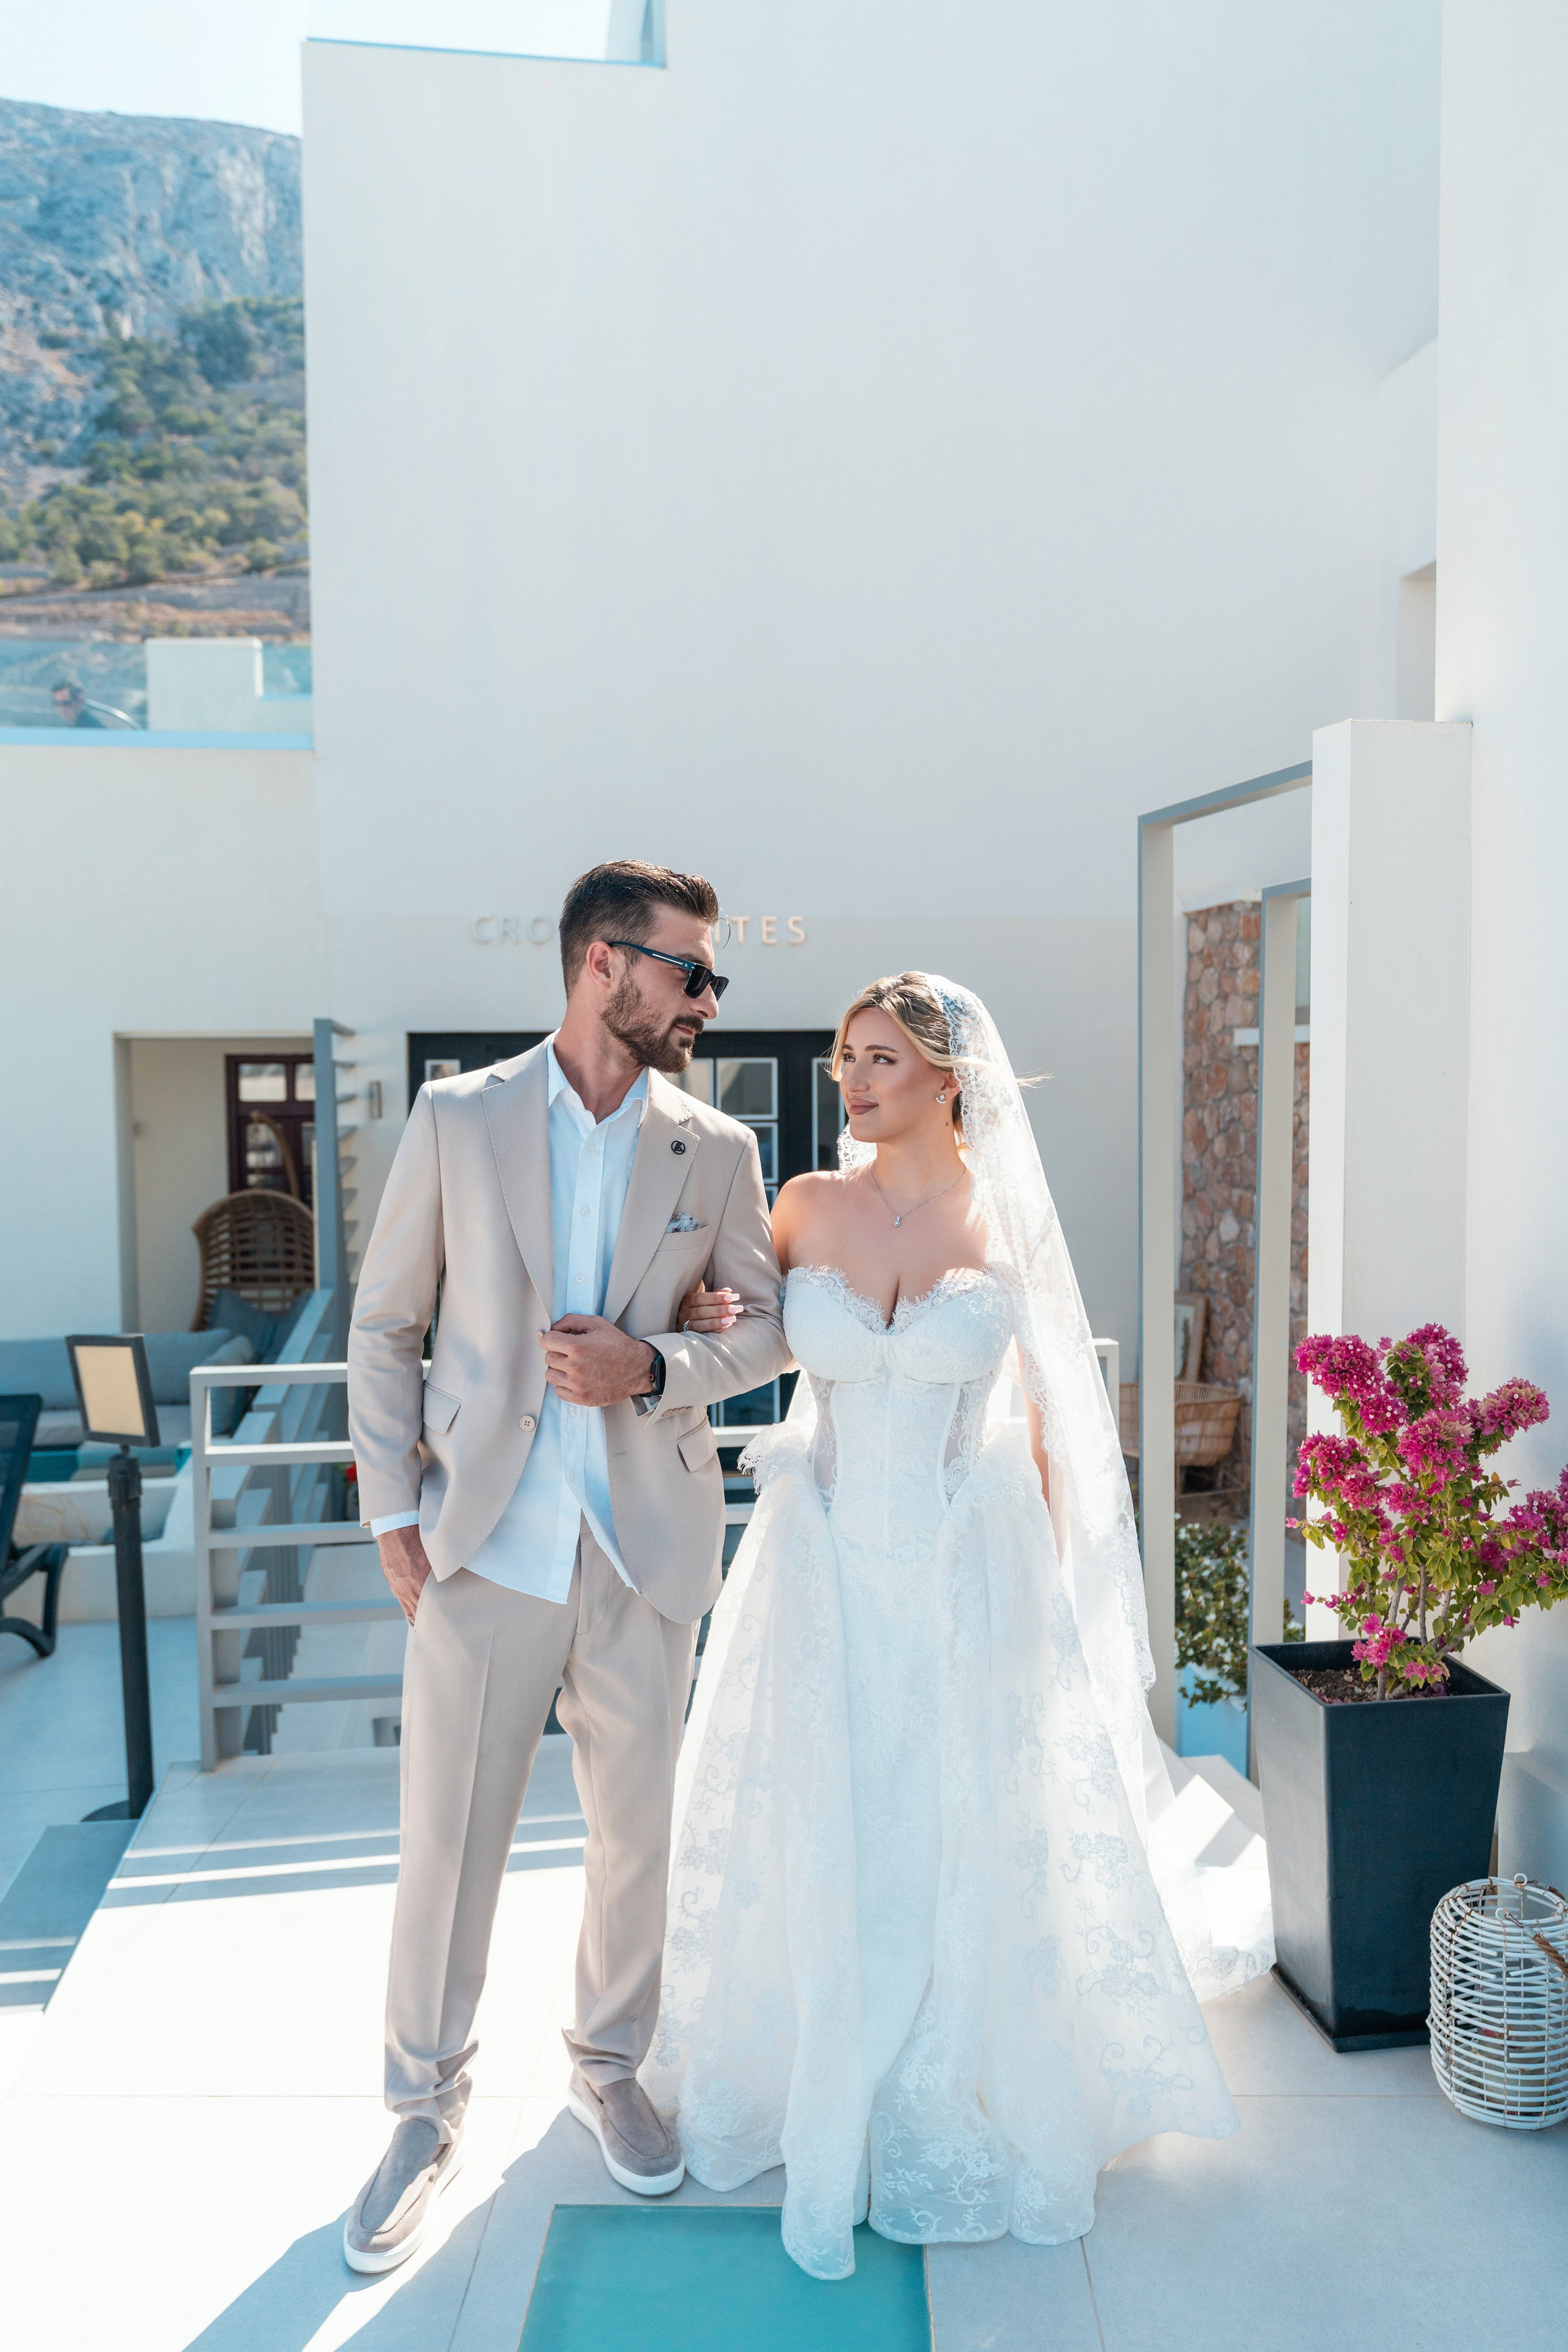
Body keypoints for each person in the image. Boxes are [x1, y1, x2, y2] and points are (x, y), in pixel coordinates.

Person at [644, 972, 1272, 2281]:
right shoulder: (802, 1205)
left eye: (875, 1059)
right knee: (822, 1803)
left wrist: (1043, 1590)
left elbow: (1049, 1417)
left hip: (959, 1561)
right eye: (841, 1061)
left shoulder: (1002, 1219)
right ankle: (812, 2057)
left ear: (946, 1075)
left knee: (959, 1813)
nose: (850, 1081)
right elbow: (747, 1330)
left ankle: (956, 2064)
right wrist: (709, 1320)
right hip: (818, 1559)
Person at [342, 860, 792, 2274]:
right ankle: (420, 2108)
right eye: (690, 972)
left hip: (644, 1547)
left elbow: (769, 1331)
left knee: (635, 1842)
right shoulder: (458, 1117)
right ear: (606, 964)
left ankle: (609, 2065)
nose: (708, 998)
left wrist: (652, 1361)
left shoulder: (713, 1146)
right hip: (482, 1547)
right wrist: (390, 1509)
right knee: (446, 1846)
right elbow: (383, 1324)